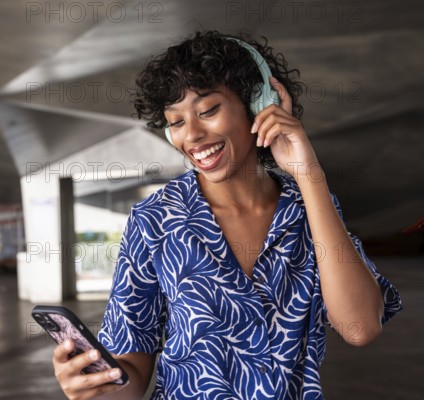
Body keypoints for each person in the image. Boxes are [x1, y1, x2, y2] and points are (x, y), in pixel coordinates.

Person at [52, 31, 403, 400]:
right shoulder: (155, 220)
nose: (193, 135)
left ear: (257, 104)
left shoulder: (308, 208)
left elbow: (361, 328)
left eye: (208, 110)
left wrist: (308, 173)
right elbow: (133, 371)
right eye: (176, 122)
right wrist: (93, 387)